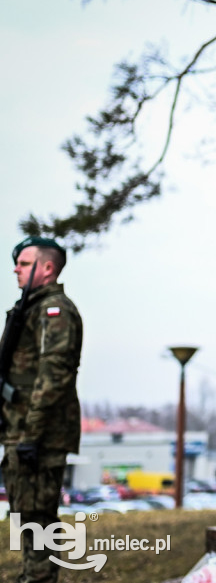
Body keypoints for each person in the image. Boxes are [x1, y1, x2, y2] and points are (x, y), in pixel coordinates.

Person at [2, 236, 82, 583]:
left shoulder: (55, 311)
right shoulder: (30, 309)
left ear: (47, 268)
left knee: (38, 519)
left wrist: (31, 437)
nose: (16, 269)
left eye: (23, 263)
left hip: (38, 436)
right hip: (20, 432)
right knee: (26, 517)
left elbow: (54, 377)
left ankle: (39, 579)